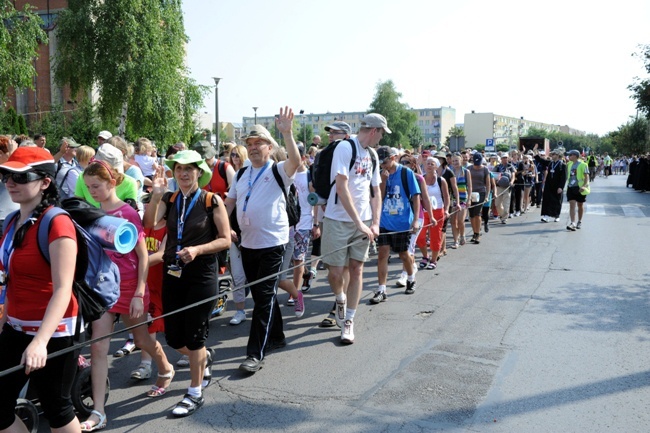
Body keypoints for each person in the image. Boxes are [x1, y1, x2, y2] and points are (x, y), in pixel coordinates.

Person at [80, 160, 174, 430]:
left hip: (131, 287)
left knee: (143, 339)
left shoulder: (127, 213)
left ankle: (165, 366)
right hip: (102, 289)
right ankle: (98, 412)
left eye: (96, 186)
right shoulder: (92, 213)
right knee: (98, 347)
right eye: (87, 187)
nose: (92, 191)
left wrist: (139, 291)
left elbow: (143, 255)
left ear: (112, 183)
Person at [0, 147, 81, 433]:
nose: (10, 182)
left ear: (45, 181)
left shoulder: (58, 223)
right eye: (6, 175)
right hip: (16, 326)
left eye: (21, 177)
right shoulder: (12, 221)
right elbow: (11, 280)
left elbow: (63, 289)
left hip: (54, 332)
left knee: (57, 409)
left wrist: (40, 342)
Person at [143, 150, 230, 417]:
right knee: (173, 336)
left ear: (199, 172)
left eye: (189, 169)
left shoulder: (210, 200)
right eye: (179, 168)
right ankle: (203, 356)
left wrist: (198, 250)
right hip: (174, 272)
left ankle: (194, 392)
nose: (183, 173)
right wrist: (156, 193)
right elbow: (150, 223)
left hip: (201, 274)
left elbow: (225, 239)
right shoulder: (170, 199)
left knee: (194, 337)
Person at [224, 107, 301, 371]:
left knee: (264, 297)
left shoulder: (279, 170)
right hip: (247, 244)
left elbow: (296, 162)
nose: (254, 147)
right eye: (250, 143)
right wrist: (221, 229)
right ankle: (277, 337)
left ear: (269, 147)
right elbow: (229, 203)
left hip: (272, 244)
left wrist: (288, 133)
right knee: (261, 296)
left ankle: (255, 354)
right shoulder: (243, 173)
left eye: (259, 143)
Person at [320, 113, 384, 345]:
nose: (381, 138)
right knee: (336, 273)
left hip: (364, 222)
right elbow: (341, 186)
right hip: (338, 220)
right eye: (382, 133)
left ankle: (349, 320)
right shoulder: (345, 148)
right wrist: (358, 222)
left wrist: (374, 222)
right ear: (375, 131)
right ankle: (339, 298)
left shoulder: (374, 155)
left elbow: (375, 191)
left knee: (357, 270)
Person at [371, 146, 420, 303]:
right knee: (382, 255)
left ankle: (411, 278)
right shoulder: (380, 174)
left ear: (393, 158)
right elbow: (380, 195)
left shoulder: (406, 173)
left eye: (384, 162)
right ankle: (381, 290)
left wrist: (416, 220)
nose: (382, 165)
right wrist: (383, 181)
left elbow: (416, 197)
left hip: (402, 221)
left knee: (403, 254)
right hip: (384, 221)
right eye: (380, 163)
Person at [315, 121, 352, 328]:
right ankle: (340, 299)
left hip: (348, 215)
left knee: (342, 265)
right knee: (332, 265)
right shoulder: (325, 153)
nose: (330, 135)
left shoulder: (352, 153)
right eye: (329, 132)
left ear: (346, 135)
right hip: (328, 210)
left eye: (335, 133)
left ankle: (339, 304)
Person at [74, 142, 138, 207]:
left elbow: (129, 211)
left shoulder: (130, 182)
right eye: (88, 186)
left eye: (95, 186)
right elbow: (78, 205)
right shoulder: (83, 177)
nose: (91, 191)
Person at [415, 157, 449, 270]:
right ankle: (425, 256)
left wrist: (447, 210)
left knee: (435, 237)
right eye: (427, 163)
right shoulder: (421, 179)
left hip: (438, 211)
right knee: (420, 237)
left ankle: (434, 260)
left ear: (436, 166)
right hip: (423, 211)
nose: (429, 165)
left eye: (432, 164)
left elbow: (446, 197)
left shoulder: (441, 180)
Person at [534, 147, 566, 223]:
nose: (552, 155)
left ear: (558, 155)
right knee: (547, 199)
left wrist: (561, 187)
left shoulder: (562, 165)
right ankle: (546, 215)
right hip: (549, 184)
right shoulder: (550, 163)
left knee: (557, 201)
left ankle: (556, 215)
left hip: (557, 185)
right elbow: (541, 160)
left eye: (554, 154)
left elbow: (564, 177)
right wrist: (535, 151)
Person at [468, 152, 491, 244]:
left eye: (478, 163)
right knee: (472, 214)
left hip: (481, 192)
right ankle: (474, 232)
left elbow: (488, 184)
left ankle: (478, 233)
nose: (477, 165)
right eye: (475, 163)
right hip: (471, 193)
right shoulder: (469, 169)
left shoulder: (485, 170)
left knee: (477, 213)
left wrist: (487, 196)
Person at [448, 153, 470, 248]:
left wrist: (469, 199)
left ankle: (462, 235)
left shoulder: (466, 171)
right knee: (453, 221)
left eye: (456, 160)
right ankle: (455, 241)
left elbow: (469, 186)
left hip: (463, 198)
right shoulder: (450, 171)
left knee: (461, 220)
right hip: (453, 199)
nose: (455, 162)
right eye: (453, 161)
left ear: (461, 160)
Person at [565, 150, 590, 230]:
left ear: (575, 156)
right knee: (572, 204)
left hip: (579, 188)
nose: (569, 157)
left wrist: (584, 186)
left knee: (580, 205)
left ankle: (579, 221)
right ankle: (573, 222)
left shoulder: (583, 165)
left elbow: (586, 177)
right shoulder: (569, 164)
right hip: (571, 187)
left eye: (570, 155)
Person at [0, 136, 19, 237]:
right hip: (3, 220)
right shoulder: (5, 170)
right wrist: (13, 154)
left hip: (12, 219)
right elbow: (17, 175)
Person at [494, 154, 515, 224]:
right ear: (501, 159)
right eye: (503, 158)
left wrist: (512, 182)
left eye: (506, 158)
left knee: (506, 204)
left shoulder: (510, 166)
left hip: (507, 187)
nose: (505, 159)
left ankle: (504, 218)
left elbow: (513, 175)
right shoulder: (497, 167)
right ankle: (502, 215)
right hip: (499, 187)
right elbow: (493, 176)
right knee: (497, 204)